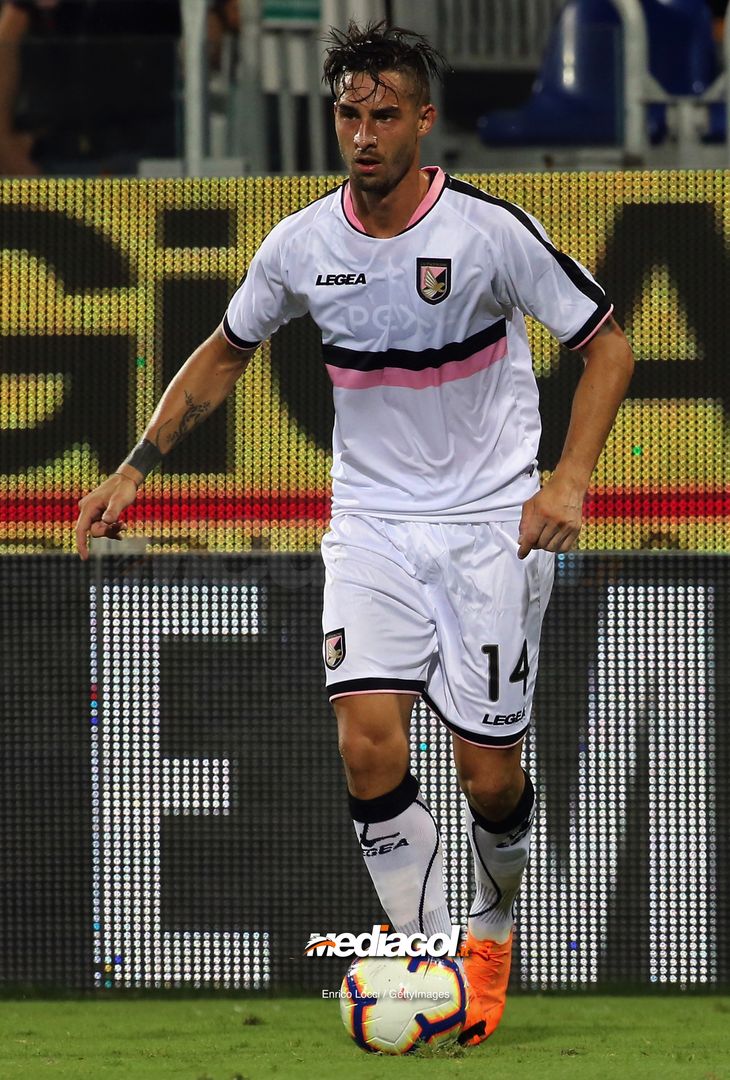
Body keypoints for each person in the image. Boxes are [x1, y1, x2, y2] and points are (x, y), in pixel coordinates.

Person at [75, 20, 634, 1046]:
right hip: (369, 523)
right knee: (366, 744)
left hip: (486, 530)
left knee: (488, 776)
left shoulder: (486, 233)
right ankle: (435, 960)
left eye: (385, 115)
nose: (364, 133)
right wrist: (132, 468)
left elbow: (607, 346)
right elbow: (222, 352)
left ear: (424, 121)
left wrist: (569, 479)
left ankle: (492, 925)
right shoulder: (301, 244)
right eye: (348, 114)